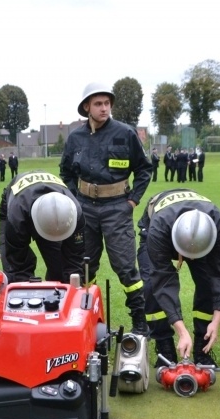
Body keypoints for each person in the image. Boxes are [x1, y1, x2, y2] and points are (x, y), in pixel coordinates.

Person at [60, 82, 152, 335]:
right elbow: (66, 172)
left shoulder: (125, 133)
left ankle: (140, 323)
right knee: (85, 267)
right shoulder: (75, 138)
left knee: (125, 268)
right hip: (85, 210)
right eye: (98, 104)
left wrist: (132, 201)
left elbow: (144, 169)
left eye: (107, 103)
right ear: (86, 107)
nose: (104, 108)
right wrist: (75, 201)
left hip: (117, 208)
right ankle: (87, 321)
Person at [137, 189, 220, 368]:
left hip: (201, 237)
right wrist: (182, 332)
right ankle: (165, 349)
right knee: (151, 287)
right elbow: (163, 282)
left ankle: (202, 350)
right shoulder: (158, 229)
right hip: (158, 226)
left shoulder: (219, 223)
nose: (191, 259)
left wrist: (216, 321)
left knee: (208, 283)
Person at [0, 171, 85, 283]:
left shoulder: (76, 213)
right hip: (18, 206)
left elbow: (75, 260)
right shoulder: (16, 216)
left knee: (60, 269)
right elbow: (17, 262)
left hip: (48, 213)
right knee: (16, 275)